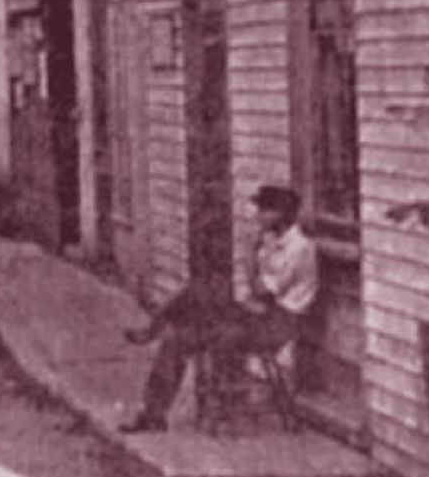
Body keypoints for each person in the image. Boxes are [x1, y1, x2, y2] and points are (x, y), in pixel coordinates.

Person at [117, 184, 320, 433]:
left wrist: (250, 254)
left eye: (263, 211)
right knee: (177, 335)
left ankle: (152, 329)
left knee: (202, 294)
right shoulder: (274, 240)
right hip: (258, 314)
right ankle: (152, 414)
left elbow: (260, 291)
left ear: (280, 213)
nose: (258, 216)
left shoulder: (299, 248)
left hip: (279, 324)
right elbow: (259, 294)